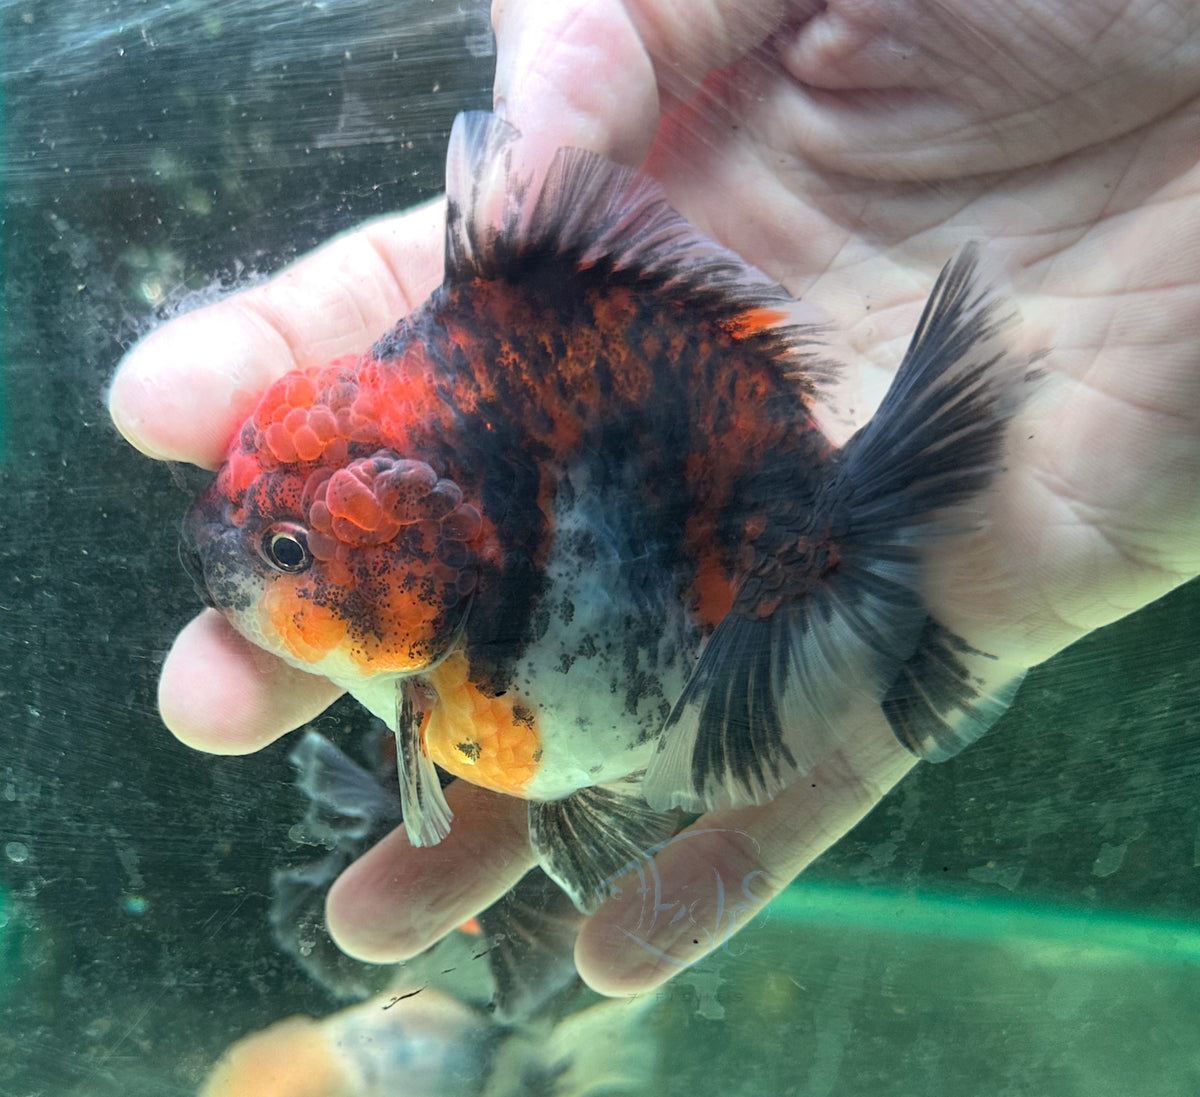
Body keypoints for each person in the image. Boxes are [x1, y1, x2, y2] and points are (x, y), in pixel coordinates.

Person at [108, 0, 1200, 996]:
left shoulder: (479, 612)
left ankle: (884, 555)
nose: (257, 571)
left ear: (430, 558)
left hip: (727, 506)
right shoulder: (441, 549)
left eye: (291, 550)